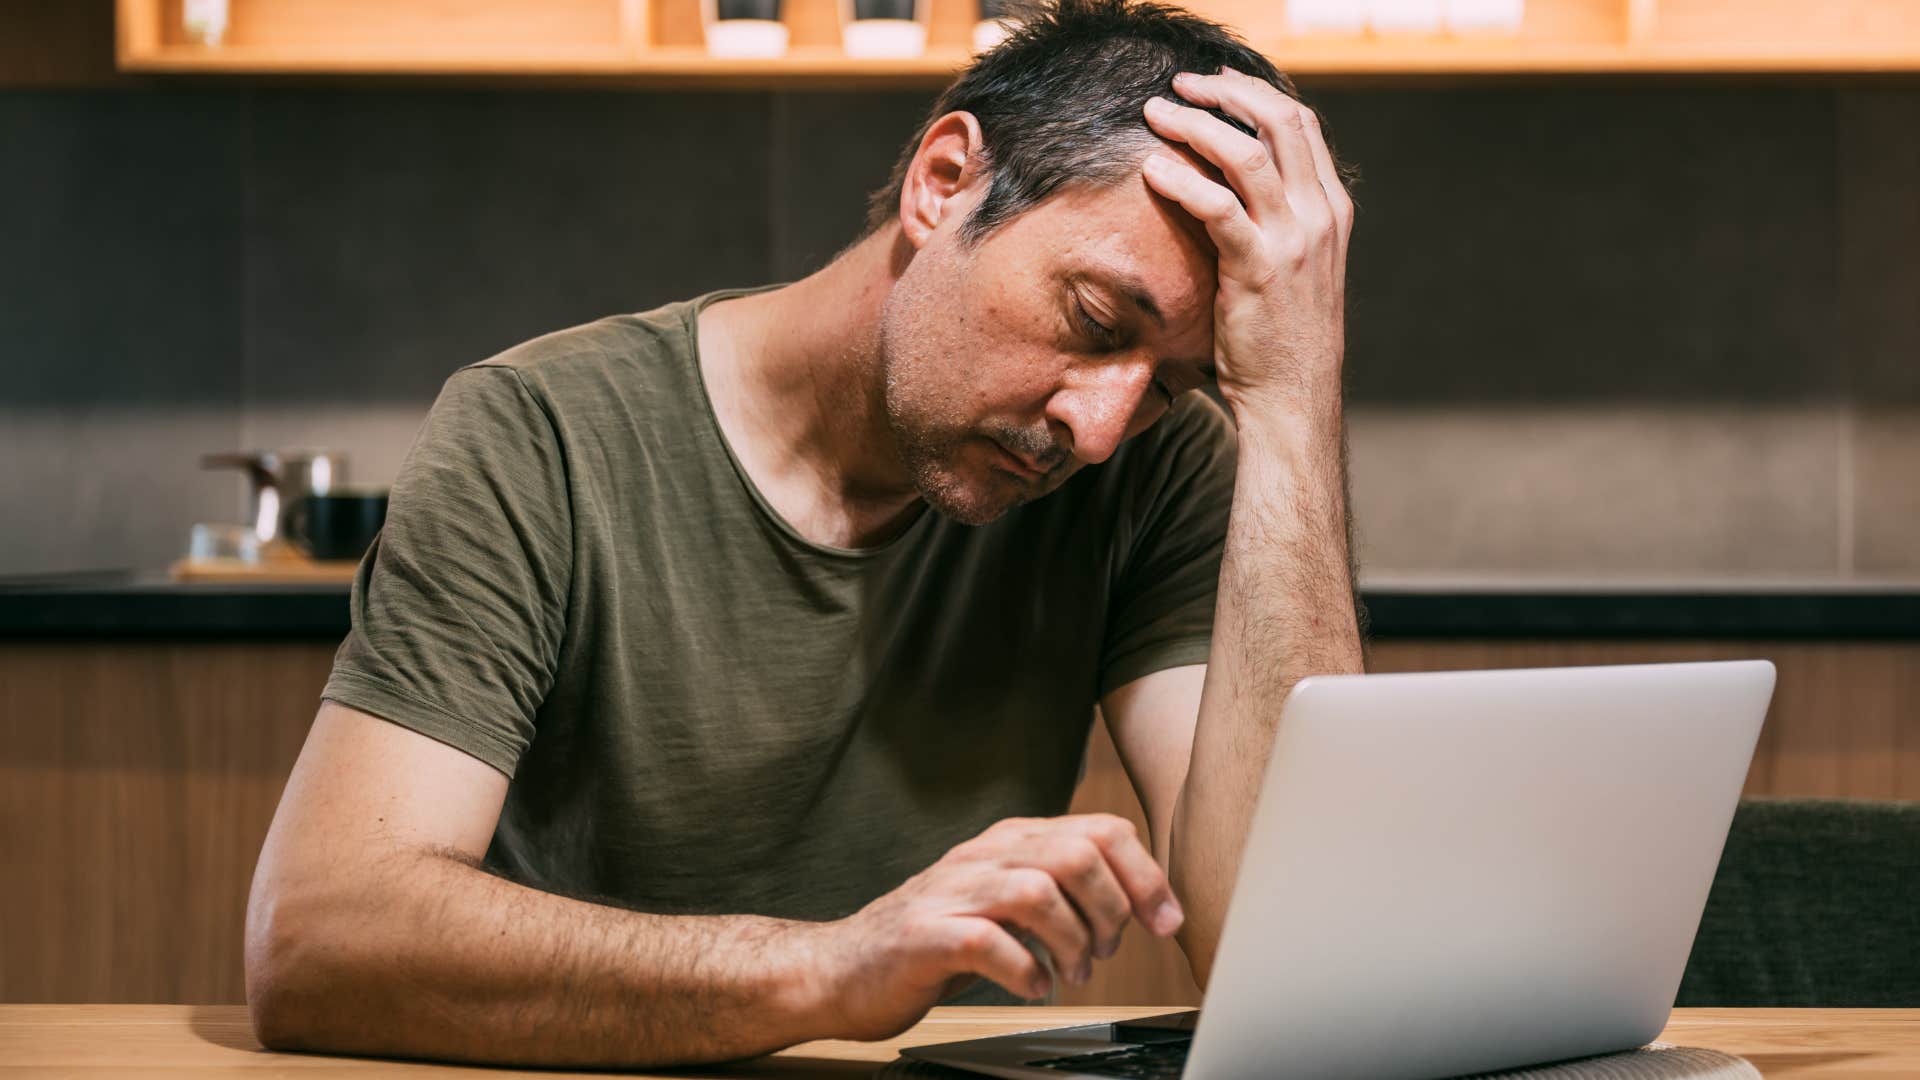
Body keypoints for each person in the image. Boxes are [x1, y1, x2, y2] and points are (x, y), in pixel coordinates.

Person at [243, 0, 1364, 1068]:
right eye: (1094, 321)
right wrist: (832, 969)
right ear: (944, 182)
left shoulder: (1152, 471)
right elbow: (321, 940)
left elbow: (1294, 954)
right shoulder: (541, 435)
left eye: (1173, 382)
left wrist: (1292, 396)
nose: (1103, 427)